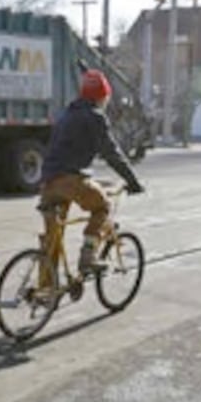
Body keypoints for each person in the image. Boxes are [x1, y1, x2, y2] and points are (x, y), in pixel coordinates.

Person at [40, 69, 145, 273]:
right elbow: (111, 153)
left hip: (48, 182)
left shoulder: (66, 113)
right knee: (102, 207)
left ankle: (46, 289)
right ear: (101, 97)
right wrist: (132, 181)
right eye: (106, 97)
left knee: (53, 236)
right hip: (70, 180)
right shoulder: (95, 117)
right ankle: (87, 257)